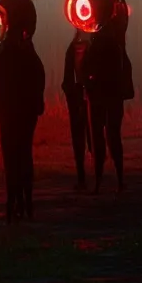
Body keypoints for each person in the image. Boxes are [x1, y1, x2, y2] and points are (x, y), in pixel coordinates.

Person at [0, 0, 45, 223]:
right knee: (24, 155)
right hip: (25, 113)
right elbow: (39, 80)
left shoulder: (4, 52)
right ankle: (25, 201)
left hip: (10, 114)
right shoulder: (30, 53)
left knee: (12, 158)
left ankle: (14, 202)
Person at [83, 0, 130, 193]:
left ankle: (103, 181)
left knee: (103, 137)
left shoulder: (104, 34)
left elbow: (90, 63)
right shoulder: (114, 31)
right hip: (109, 91)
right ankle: (114, 180)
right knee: (108, 136)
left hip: (102, 91)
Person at [61, 28, 91, 189]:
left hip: (88, 95)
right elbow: (67, 80)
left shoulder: (94, 48)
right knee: (81, 137)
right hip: (78, 96)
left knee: (90, 137)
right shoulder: (72, 49)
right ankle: (83, 176)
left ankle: (89, 175)